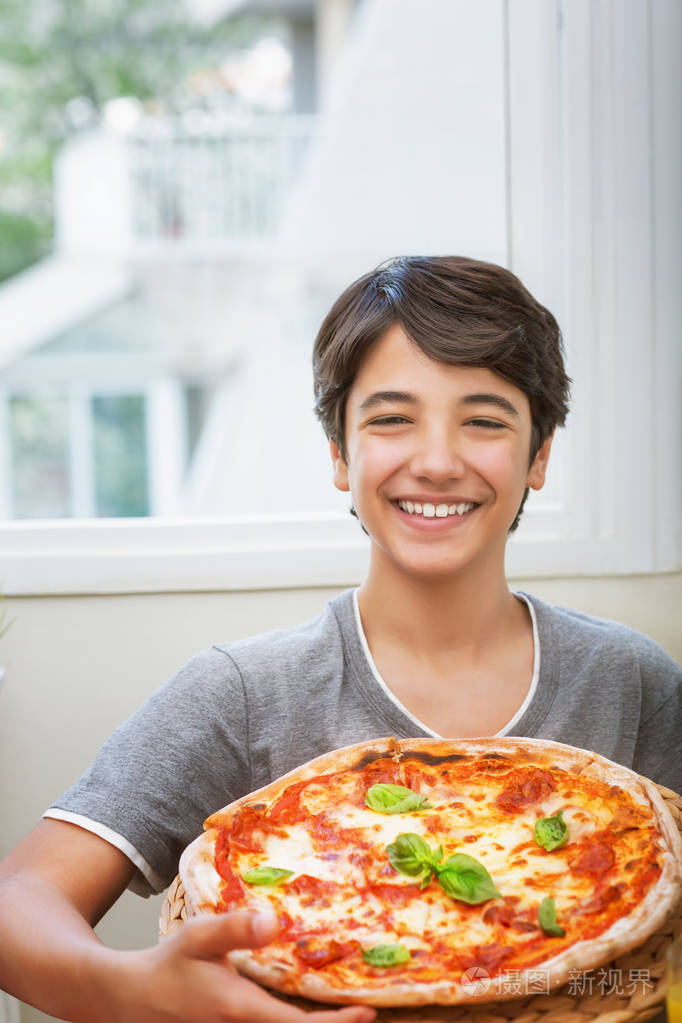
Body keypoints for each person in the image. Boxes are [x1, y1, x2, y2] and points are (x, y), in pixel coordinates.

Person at [0, 256, 680, 1022]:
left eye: (485, 420)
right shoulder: (243, 692)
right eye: (391, 418)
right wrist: (129, 989)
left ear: (540, 453)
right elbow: (18, 898)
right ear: (338, 451)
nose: (436, 461)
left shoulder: (632, 681)